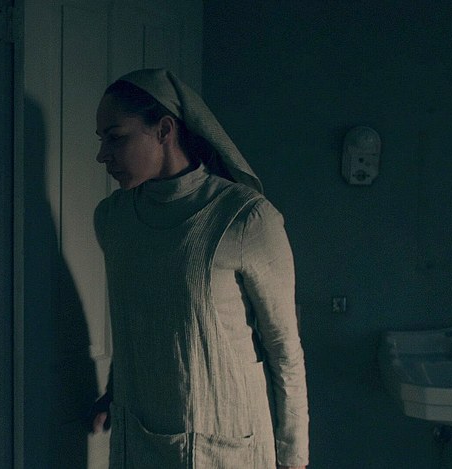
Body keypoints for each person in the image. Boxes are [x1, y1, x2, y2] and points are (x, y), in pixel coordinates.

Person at [88, 68, 309, 469]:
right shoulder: (113, 219)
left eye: (115, 137)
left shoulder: (245, 218)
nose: (103, 154)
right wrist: (114, 391)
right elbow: (139, 321)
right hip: (139, 438)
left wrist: (292, 457)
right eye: (101, 140)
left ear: (164, 130)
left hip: (225, 441)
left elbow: (284, 349)